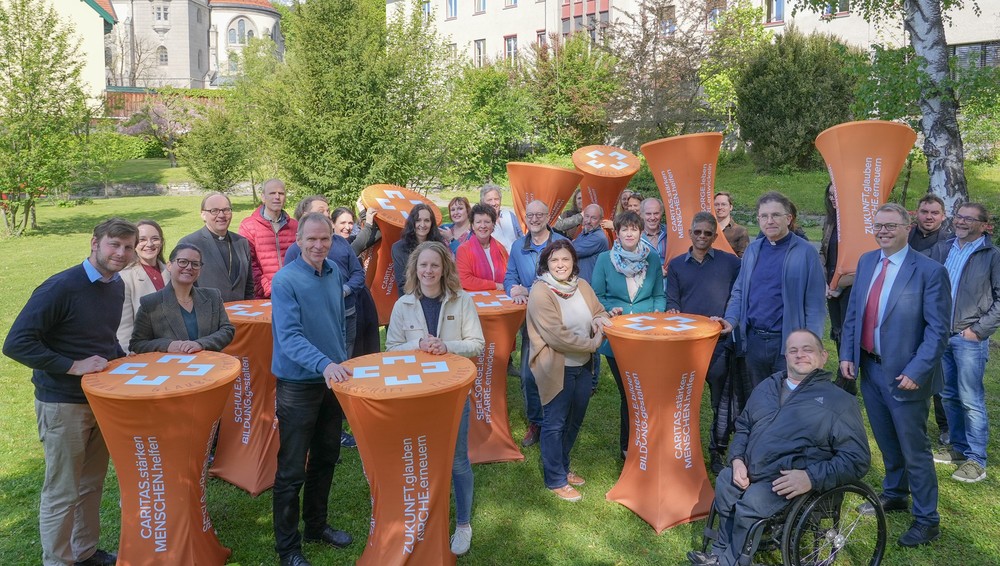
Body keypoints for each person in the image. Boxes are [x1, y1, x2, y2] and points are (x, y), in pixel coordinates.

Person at [3, 217, 139, 566]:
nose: (120, 253)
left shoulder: (115, 285)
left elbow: (102, 338)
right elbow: (16, 343)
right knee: (62, 491)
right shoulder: (60, 287)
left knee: (91, 484)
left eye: (127, 247)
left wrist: (124, 361)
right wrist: (73, 365)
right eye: (114, 244)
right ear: (94, 242)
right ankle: (58, 561)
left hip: (100, 400)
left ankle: (85, 552)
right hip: (62, 403)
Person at [687, 330, 870, 566]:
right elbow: (743, 426)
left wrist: (810, 477)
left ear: (823, 357)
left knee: (752, 500)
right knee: (725, 481)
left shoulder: (839, 402)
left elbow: (858, 459)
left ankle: (730, 561)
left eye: (808, 349)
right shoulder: (768, 386)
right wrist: (737, 460)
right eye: (793, 350)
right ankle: (719, 552)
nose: (799, 355)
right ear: (785, 356)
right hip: (751, 469)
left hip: (788, 480)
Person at [840, 202, 950, 548]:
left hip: (906, 376)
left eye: (890, 225)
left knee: (914, 448)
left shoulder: (929, 271)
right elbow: (854, 312)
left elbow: (937, 330)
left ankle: (926, 519)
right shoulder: (867, 261)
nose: (883, 231)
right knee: (887, 440)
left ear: (908, 227)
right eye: (878, 226)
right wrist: (847, 354)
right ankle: (895, 494)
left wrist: (918, 370)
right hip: (870, 369)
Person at [385, 241, 485, 556]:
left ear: (444, 270)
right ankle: (425, 520)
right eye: (423, 266)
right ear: (414, 268)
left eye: (435, 266)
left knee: (457, 460)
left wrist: (447, 346)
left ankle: (463, 524)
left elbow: (477, 344)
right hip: (415, 395)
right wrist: (418, 344)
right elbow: (390, 350)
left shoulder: (462, 300)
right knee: (421, 461)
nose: (428, 271)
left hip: (453, 392)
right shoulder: (403, 304)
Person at [269, 213, 354, 566]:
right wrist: (325, 364)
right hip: (298, 386)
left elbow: (336, 324)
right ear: (299, 240)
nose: (319, 245)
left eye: (325, 239)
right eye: (312, 240)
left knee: (325, 457)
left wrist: (340, 359)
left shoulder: (334, 273)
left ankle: (316, 526)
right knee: (291, 469)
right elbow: (289, 339)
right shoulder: (285, 280)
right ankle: (288, 548)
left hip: (332, 382)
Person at [525, 240, 611, 502]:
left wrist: (599, 320)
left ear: (574, 261)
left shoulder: (581, 286)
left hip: (583, 366)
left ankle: (562, 466)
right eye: (554, 260)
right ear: (546, 264)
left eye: (565, 259)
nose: (560, 265)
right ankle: (555, 479)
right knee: (554, 423)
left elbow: (599, 311)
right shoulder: (541, 292)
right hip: (556, 366)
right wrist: (594, 343)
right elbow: (556, 336)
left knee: (574, 420)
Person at [719, 191, 826, 388]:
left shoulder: (806, 252)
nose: (770, 221)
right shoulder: (753, 250)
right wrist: (731, 320)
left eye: (776, 215)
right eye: (764, 216)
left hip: (788, 344)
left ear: (788, 218)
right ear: (758, 219)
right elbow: (740, 291)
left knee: (788, 402)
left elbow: (816, 306)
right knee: (759, 400)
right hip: (753, 342)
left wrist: (811, 346)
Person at [929, 202, 1000, 483]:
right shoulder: (945, 248)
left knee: (971, 398)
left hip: (969, 338)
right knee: (948, 395)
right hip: (942, 335)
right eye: (959, 216)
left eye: (969, 219)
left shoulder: (992, 255)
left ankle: (976, 459)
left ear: (984, 225)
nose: (961, 222)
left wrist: (979, 331)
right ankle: (958, 449)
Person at [666, 212, 741, 473]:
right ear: (689, 233)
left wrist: (727, 320)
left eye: (707, 233)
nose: (701, 237)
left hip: (718, 344)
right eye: (697, 232)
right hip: (687, 347)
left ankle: (717, 451)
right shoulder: (676, 265)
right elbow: (672, 300)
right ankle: (683, 449)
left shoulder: (731, 263)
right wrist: (673, 313)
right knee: (684, 400)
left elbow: (738, 297)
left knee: (721, 402)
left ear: (714, 236)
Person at [592, 211, 666, 459]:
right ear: (618, 232)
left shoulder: (652, 258)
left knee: (647, 390)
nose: (629, 233)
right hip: (617, 336)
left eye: (634, 229)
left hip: (647, 335)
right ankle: (628, 447)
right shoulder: (605, 259)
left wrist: (657, 314)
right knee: (629, 391)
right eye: (625, 229)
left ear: (641, 232)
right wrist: (607, 310)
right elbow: (596, 296)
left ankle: (649, 441)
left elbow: (659, 294)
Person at [504, 200, 569, 447]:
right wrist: (513, 289)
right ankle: (536, 422)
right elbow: (510, 275)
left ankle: (556, 423)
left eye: (539, 214)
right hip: (530, 321)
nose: (534, 219)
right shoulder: (518, 245)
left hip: (558, 319)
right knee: (528, 375)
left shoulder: (562, 244)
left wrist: (529, 289)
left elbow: (566, 278)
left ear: (547, 216)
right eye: (530, 215)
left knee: (558, 373)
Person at [129, 243, 235, 354]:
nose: (189, 267)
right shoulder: (150, 304)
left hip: (211, 366)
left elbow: (227, 330)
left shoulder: (213, 296)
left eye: (195, 264)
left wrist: (201, 344)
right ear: (169, 265)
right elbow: (137, 344)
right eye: (183, 262)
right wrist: (167, 345)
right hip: (172, 368)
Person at [909, 193, 953, 442]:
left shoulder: (948, 243)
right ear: (916, 213)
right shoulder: (904, 237)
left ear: (943, 216)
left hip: (934, 312)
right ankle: (913, 420)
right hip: (905, 312)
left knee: (937, 370)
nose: (929, 217)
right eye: (924, 211)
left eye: (934, 213)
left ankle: (945, 425)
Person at [179, 192, 255, 303]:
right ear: (203, 215)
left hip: (241, 316)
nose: (221, 215)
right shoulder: (189, 244)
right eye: (214, 211)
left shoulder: (241, 242)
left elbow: (249, 286)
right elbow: (182, 288)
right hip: (207, 316)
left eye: (226, 210)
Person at [819, 184, 857, 394]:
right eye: (830, 195)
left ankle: (848, 376)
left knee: (849, 331)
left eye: (837, 194)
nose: (833, 199)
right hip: (831, 286)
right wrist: (824, 282)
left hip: (849, 286)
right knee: (837, 331)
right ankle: (846, 377)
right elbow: (823, 252)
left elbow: (859, 261)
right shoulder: (830, 221)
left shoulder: (856, 224)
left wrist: (838, 286)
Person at [330, 206, 381, 359]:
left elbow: (377, 234)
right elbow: (358, 245)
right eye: (342, 223)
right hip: (346, 302)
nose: (347, 227)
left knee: (368, 342)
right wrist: (367, 220)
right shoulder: (332, 247)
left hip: (363, 299)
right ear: (332, 224)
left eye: (351, 223)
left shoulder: (351, 239)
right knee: (354, 346)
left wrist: (369, 218)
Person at [239, 178, 298, 299]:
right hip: (262, 296)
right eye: (272, 193)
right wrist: (269, 289)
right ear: (263, 197)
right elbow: (249, 264)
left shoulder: (295, 226)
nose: (277, 197)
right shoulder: (249, 226)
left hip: (293, 293)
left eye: (281, 193)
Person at [117, 219, 170, 352]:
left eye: (155, 238)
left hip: (175, 347)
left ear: (162, 242)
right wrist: (128, 357)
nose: (150, 244)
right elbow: (124, 328)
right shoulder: (125, 278)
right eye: (142, 240)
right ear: (134, 243)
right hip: (144, 352)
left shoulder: (170, 272)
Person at [391, 203, 448, 296]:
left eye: (427, 220)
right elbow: (402, 283)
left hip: (437, 296)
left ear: (432, 223)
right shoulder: (398, 248)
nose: (422, 224)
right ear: (412, 223)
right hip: (410, 298)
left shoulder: (440, 246)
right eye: (418, 220)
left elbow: (445, 275)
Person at [456, 203, 508, 291]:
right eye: (478, 222)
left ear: (493, 225)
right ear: (472, 225)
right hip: (475, 300)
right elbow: (465, 280)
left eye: (487, 222)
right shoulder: (463, 250)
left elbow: (510, 274)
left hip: (501, 298)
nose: (483, 226)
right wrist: (495, 286)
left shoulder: (500, 248)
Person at [481, 183, 523, 252]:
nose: (493, 203)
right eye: (489, 200)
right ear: (482, 202)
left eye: (496, 199)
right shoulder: (482, 224)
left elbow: (522, 236)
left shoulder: (509, 215)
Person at [574, 204, 610, 284]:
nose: (588, 221)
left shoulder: (598, 237)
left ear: (601, 220)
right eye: (587, 216)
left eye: (593, 218)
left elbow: (572, 250)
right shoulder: (585, 232)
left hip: (590, 286)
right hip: (580, 284)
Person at [640, 198, 668, 280]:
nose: (652, 217)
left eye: (656, 213)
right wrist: (656, 271)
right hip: (646, 287)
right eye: (648, 214)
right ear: (642, 214)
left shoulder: (670, 232)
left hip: (669, 287)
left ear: (661, 213)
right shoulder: (635, 236)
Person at [714, 192, 749, 257]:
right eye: (716, 204)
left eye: (724, 204)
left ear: (730, 207)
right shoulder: (708, 229)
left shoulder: (741, 231)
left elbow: (744, 259)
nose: (720, 207)